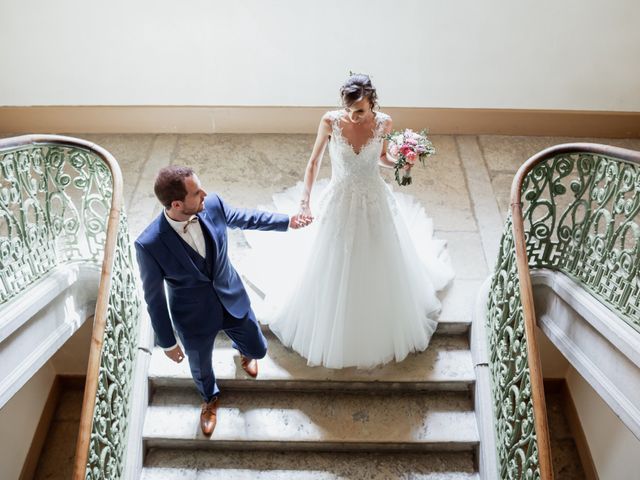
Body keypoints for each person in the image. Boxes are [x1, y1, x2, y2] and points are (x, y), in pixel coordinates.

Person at [243, 73, 454, 369]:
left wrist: (402, 160)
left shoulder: (384, 123)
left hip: (372, 199)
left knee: (377, 256)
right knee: (331, 257)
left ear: (372, 105)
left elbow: (380, 158)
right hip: (339, 198)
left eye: (360, 111)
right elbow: (314, 161)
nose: (353, 117)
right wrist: (304, 200)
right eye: (349, 110)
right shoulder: (330, 122)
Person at [135, 166, 310, 436]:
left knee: (258, 348)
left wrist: (286, 221)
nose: (205, 193)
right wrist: (168, 342)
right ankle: (209, 399)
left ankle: (243, 350)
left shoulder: (212, 204)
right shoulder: (149, 244)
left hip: (231, 296)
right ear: (177, 204)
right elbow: (154, 298)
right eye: (196, 192)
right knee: (201, 368)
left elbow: (246, 218)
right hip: (192, 317)